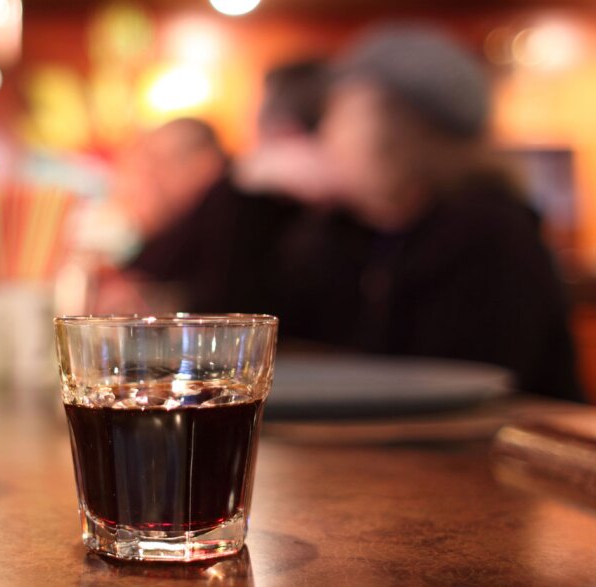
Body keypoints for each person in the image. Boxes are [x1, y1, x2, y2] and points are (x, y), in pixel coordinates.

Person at [268, 25, 582, 401]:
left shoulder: (490, 233)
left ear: (401, 130)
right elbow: (270, 342)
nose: (326, 131)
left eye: (342, 111)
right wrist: (253, 202)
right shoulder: (339, 232)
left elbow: (466, 386)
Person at [99, 61, 329, 314]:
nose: (151, 179)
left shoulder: (235, 201)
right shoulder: (196, 214)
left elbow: (225, 302)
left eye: (162, 163)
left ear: (205, 162)